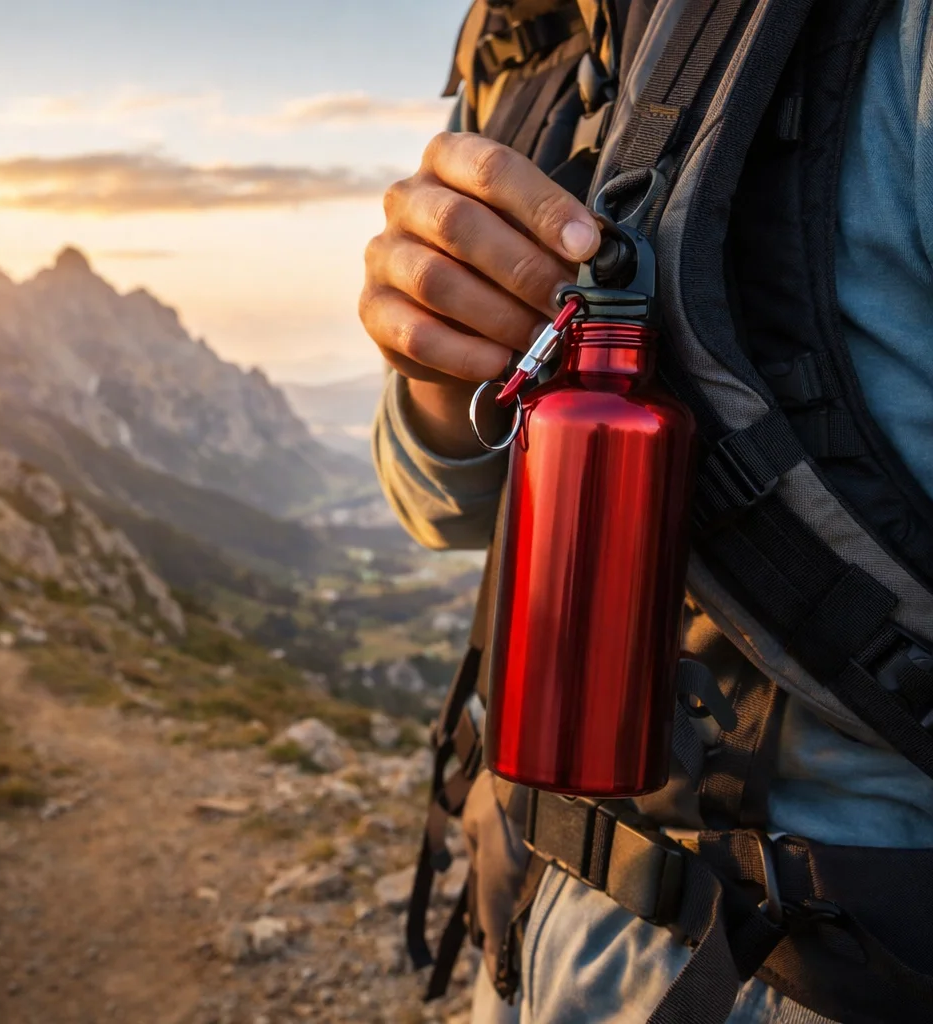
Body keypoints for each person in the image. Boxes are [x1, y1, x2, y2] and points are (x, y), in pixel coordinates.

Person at [362, 0, 933, 1021]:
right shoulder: (528, 46)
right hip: (537, 922)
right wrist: (439, 381)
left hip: (835, 968)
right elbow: (439, 510)